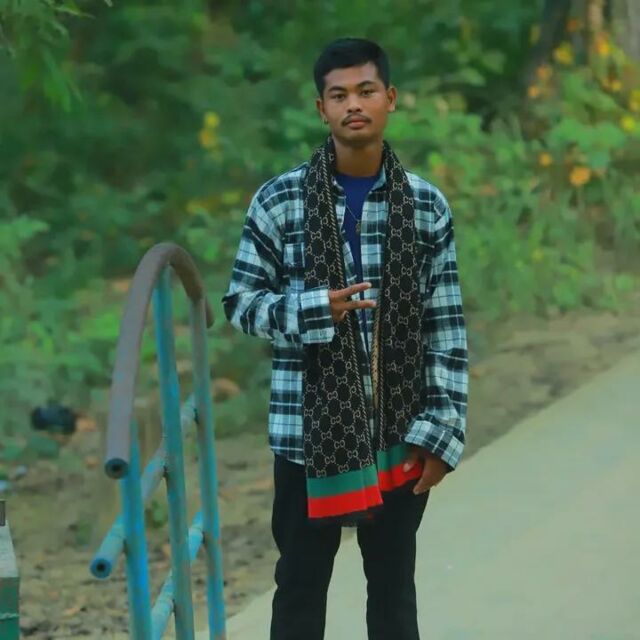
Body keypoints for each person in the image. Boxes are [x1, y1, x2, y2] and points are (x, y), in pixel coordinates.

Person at [222, 37, 468, 640]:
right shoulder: (280, 201)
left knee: (393, 593)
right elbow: (241, 304)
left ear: (390, 98)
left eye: (365, 91)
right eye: (339, 95)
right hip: (306, 436)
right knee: (300, 588)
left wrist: (443, 433)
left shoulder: (426, 206)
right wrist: (312, 310)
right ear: (321, 108)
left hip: (400, 430)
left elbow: (445, 326)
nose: (353, 104)